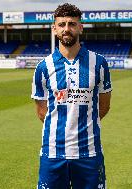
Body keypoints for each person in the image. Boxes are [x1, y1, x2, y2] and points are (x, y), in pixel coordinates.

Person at [31, 3, 112, 189]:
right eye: (61, 24)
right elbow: (42, 112)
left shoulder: (99, 63)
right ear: (54, 29)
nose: (66, 29)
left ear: (80, 27)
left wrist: (83, 123)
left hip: (89, 154)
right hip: (53, 154)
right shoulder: (43, 67)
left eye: (72, 24)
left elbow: (104, 107)